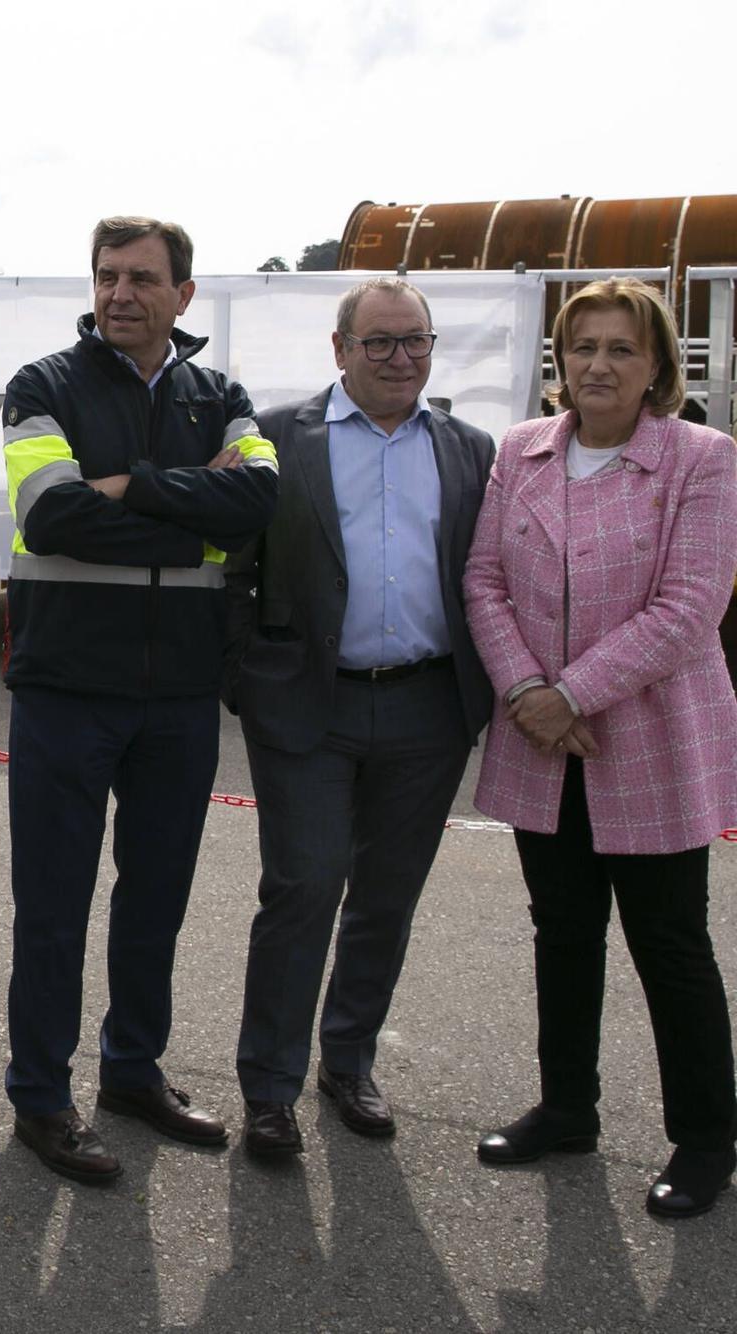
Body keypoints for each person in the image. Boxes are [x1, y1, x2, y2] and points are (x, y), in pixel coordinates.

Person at [0, 217, 277, 1183]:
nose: (120, 293)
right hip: (66, 691)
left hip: (180, 699)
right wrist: (191, 513)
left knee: (154, 900)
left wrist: (133, 490)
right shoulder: (42, 385)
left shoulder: (222, 395)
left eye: (143, 279)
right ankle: (40, 1094)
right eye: (107, 276)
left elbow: (258, 506)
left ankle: (131, 1071)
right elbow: (49, 517)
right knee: (53, 908)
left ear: (183, 296)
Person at [464, 277, 737, 1219]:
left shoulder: (703, 459)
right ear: (560, 362)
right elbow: (484, 581)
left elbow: (691, 605)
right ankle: (567, 1109)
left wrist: (568, 693)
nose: (600, 366)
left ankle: (705, 1138)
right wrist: (530, 693)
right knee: (564, 933)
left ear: (657, 364)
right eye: (584, 347)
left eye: (622, 348)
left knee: (671, 943)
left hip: (651, 740)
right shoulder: (520, 455)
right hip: (546, 742)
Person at [223, 278, 494, 1157]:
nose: (399, 358)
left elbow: (485, 576)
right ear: (339, 349)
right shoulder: (277, 437)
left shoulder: (471, 449)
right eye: (378, 342)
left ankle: (348, 1062)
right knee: (303, 887)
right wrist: (248, 678)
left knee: (386, 899)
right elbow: (233, 569)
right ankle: (269, 1087)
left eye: (414, 340)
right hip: (309, 703)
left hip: (428, 706)